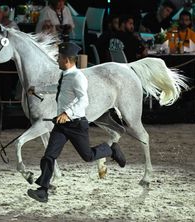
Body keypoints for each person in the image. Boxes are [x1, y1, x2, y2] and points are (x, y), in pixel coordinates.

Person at [26, 42, 126, 203]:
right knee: (49, 156)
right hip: (61, 125)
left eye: (59, 58)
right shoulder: (64, 75)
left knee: (88, 156)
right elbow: (57, 89)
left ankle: (111, 150)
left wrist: (67, 113)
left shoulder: (78, 77)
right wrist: (37, 89)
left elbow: (83, 100)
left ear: (66, 60)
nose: (57, 60)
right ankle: (43, 190)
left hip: (76, 125)